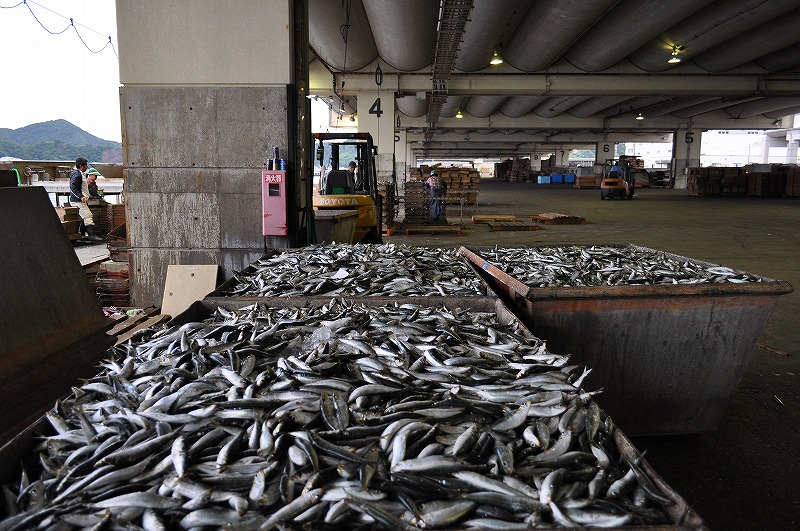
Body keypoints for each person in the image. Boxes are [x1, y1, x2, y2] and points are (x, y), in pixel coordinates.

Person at [69, 157, 104, 241]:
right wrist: (81, 196)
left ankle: (82, 234)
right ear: (81, 166)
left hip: (80, 200)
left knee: (83, 217)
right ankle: (91, 235)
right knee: (88, 215)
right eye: (85, 166)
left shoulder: (79, 174)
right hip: (78, 201)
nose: (86, 168)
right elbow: (72, 187)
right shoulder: (77, 174)